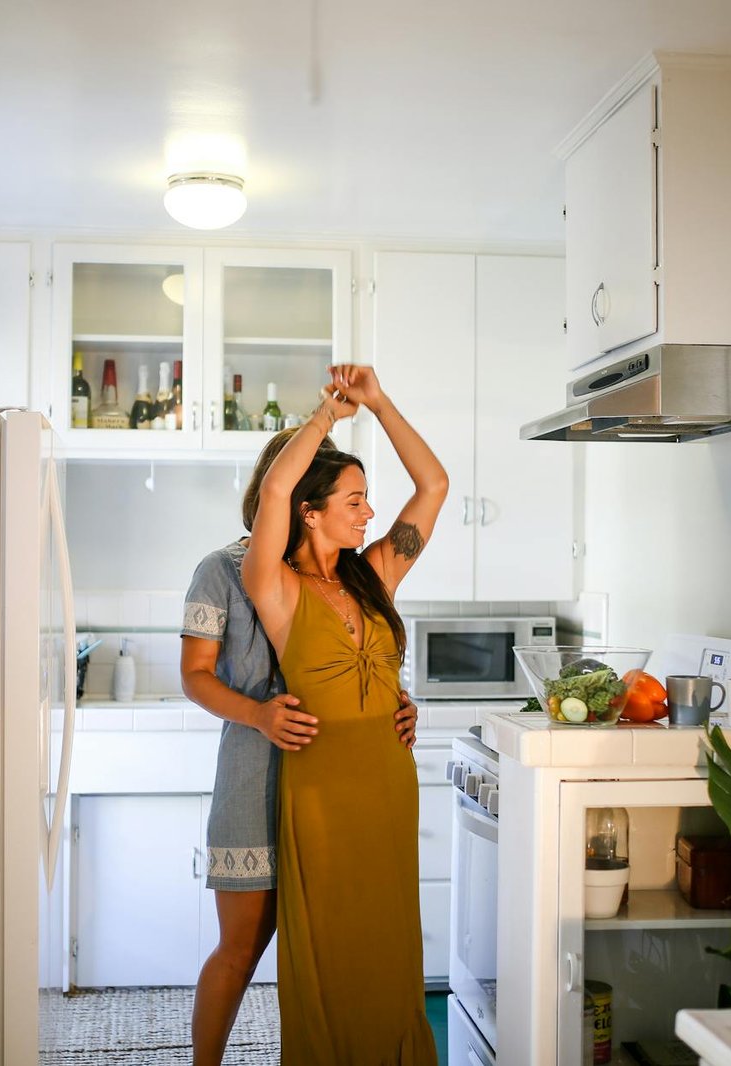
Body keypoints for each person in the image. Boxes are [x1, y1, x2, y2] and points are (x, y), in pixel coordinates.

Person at [181, 427, 419, 1066]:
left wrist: (392, 702)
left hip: (334, 785)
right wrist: (258, 714)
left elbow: (360, 654)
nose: (359, 507)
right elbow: (194, 676)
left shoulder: (348, 575)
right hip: (255, 777)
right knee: (242, 947)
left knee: (340, 950)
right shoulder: (224, 570)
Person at [241, 364, 448, 1065]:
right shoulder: (276, 587)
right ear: (311, 511)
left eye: (368, 501)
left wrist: (381, 402)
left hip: (388, 781)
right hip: (322, 789)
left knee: (391, 944)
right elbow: (274, 485)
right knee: (331, 946)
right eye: (354, 501)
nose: (369, 514)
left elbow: (435, 486)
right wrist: (328, 416)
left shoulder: (377, 572)